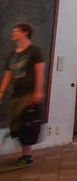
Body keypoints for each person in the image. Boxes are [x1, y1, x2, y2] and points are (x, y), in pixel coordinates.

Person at [0, 22, 45, 170]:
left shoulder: (34, 51)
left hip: (29, 93)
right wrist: (1, 92)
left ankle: (27, 156)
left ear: (25, 33)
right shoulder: (14, 54)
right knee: (15, 122)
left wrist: (38, 91)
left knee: (26, 123)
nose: (13, 33)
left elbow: (39, 71)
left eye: (16, 31)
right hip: (17, 93)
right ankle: (25, 152)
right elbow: (8, 74)